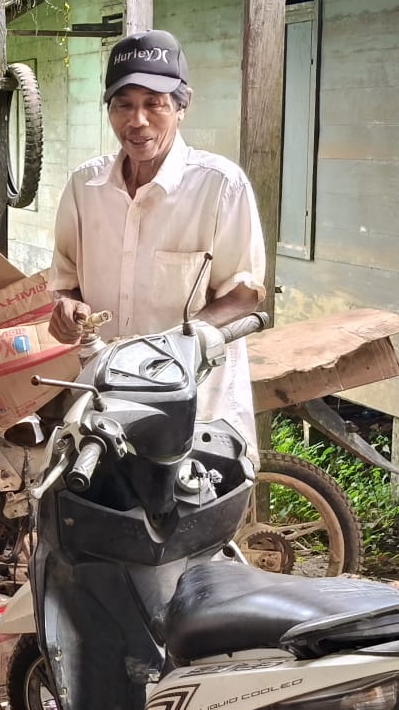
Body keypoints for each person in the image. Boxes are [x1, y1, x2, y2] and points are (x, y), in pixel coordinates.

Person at [46, 30, 267, 453]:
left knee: (185, 495)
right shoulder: (84, 187)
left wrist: (169, 349)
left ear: (182, 106)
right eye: (123, 105)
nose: (137, 121)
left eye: (154, 104)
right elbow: (66, 281)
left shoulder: (221, 187)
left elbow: (242, 295)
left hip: (195, 405)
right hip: (103, 399)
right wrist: (68, 306)